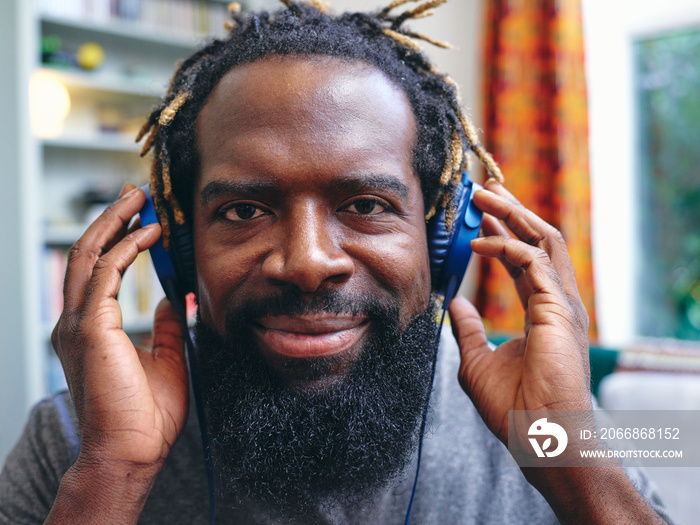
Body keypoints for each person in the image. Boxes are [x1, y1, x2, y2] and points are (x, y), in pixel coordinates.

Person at [0, 1, 673, 524]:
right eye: (242, 210)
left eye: (366, 203)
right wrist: (112, 474)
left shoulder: (554, 429)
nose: (307, 261)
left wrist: (573, 461)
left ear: (444, 238)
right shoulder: (73, 443)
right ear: (177, 251)